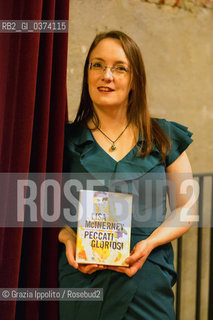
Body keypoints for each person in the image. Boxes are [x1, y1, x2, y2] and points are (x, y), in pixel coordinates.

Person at [58, 30, 196, 320]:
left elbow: (187, 208)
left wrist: (151, 243)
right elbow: (42, 209)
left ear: (135, 80)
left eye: (119, 68)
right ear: (87, 74)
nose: (106, 75)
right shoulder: (63, 139)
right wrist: (67, 237)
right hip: (84, 279)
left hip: (146, 279)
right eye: (97, 65)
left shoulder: (164, 135)